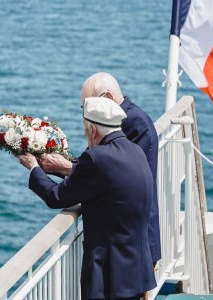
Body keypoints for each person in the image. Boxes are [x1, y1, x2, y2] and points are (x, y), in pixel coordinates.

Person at [18, 97, 157, 299]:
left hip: (110, 275)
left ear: (92, 130)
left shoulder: (97, 158)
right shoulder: (135, 151)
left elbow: (56, 196)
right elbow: (96, 180)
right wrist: (57, 167)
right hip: (136, 270)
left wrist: (33, 167)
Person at [41, 72, 161, 266]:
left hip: (129, 241)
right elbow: (92, 167)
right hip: (126, 238)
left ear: (107, 98)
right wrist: (53, 164)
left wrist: (55, 167)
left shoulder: (131, 123)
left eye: (87, 106)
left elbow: (105, 172)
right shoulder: (123, 119)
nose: (85, 115)